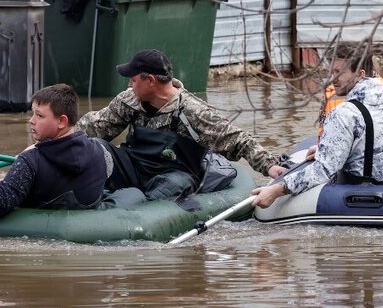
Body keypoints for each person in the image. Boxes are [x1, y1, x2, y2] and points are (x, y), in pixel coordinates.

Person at [76, 49, 285, 203]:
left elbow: (236, 138)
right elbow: (94, 126)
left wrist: (270, 165)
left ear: (150, 80)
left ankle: (140, 211)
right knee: (94, 146)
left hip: (174, 173)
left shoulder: (193, 111)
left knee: (172, 185)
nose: (129, 85)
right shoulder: (128, 101)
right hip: (133, 165)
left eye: (133, 80)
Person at [251, 40, 383, 208]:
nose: (332, 79)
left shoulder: (343, 113)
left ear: (360, 75)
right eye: (331, 72)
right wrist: (331, 149)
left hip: (361, 197)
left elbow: (321, 172)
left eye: (338, 72)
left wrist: (275, 190)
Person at [0, 83, 110, 216]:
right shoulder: (100, 151)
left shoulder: (30, 162)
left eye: (39, 116)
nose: (31, 120)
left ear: (62, 121)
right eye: (32, 113)